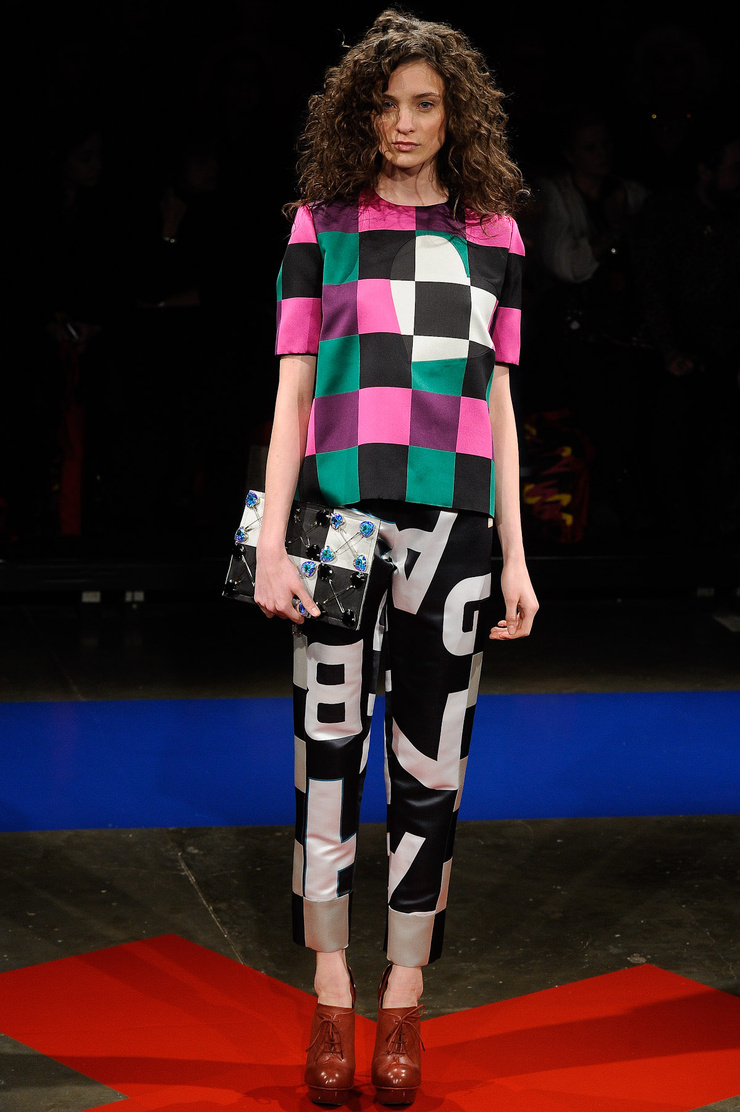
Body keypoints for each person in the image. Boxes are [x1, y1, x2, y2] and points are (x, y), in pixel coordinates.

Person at [253, 10, 538, 1105]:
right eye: (386, 104)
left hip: (456, 533)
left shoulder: (495, 234)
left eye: (425, 103)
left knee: (431, 766)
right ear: (359, 113)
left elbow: (499, 405)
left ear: (455, 112)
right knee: (324, 753)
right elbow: (290, 392)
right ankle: (332, 992)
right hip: (335, 524)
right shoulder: (317, 226)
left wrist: (517, 555)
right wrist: (269, 541)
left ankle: (404, 994)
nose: (405, 123)